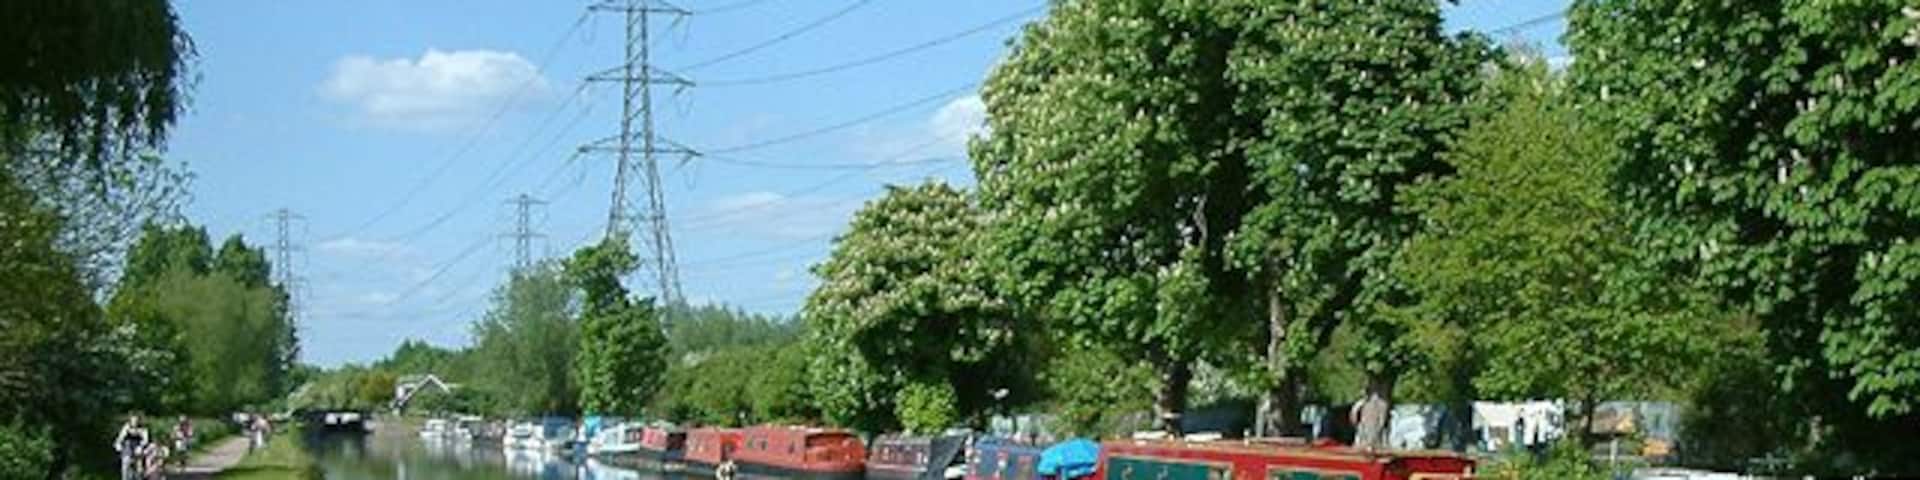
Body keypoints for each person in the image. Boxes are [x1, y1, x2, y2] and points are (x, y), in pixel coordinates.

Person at [113, 415, 151, 480]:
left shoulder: (143, 429)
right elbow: (120, 438)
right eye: (133, 420)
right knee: (125, 466)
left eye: (136, 421)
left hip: (138, 449)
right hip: (127, 448)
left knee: (139, 470)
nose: (134, 422)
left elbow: (145, 440)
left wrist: (141, 447)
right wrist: (118, 445)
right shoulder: (126, 427)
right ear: (130, 421)